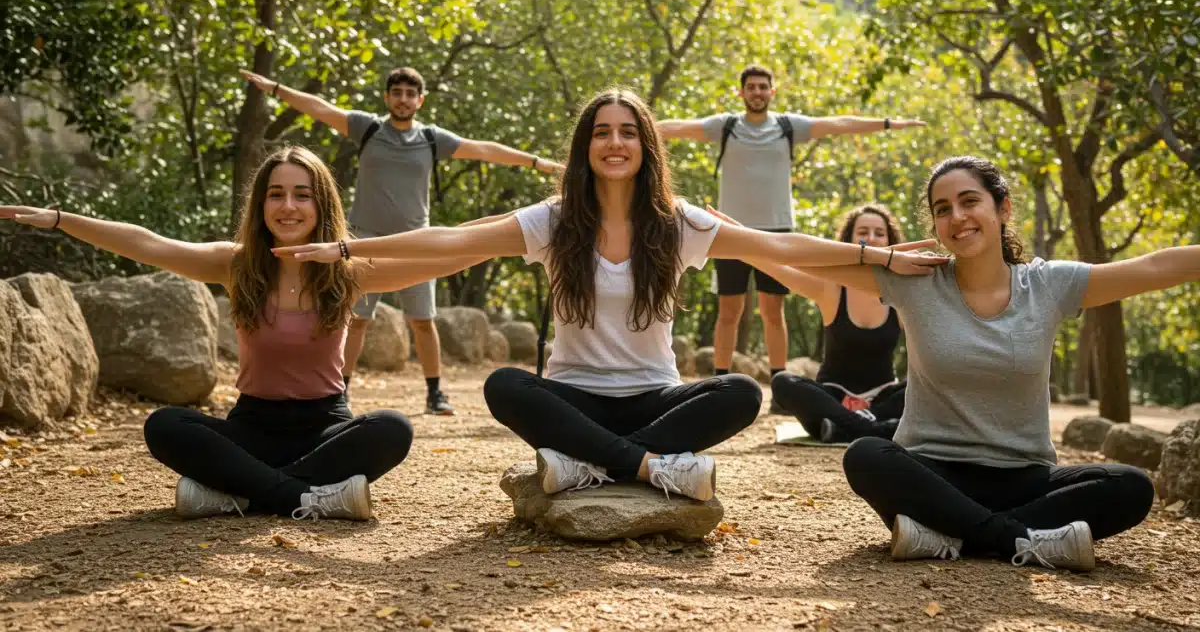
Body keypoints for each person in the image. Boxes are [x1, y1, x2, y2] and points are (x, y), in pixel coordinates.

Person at [273, 89, 946, 501]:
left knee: (739, 391)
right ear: (585, 146)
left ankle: (590, 461)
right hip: (574, 395)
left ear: (647, 145)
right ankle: (650, 467)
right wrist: (344, 248)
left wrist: (878, 256)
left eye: (628, 131)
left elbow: (781, 245)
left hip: (654, 397)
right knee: (507, 385)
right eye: (602, 131)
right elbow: (450, 241)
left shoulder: (678, 222)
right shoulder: (556, 219)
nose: (615, 141)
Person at [711, 156, 1179, 571]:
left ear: (1002, 208)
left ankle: (949, 536)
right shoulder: (915, 281)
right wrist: (728, 232)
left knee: (1130, 486)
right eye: (942, 209)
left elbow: (1155, 267)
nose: (957, 217)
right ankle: (1021, 540)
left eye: (969, 201)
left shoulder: (1049, 285)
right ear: (933, 224)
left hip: (1024, 477)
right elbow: (791, 255)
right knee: (868, 456)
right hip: (931, 472)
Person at [1, 147, 488, 521]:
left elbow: (445, 253)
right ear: (261, 204)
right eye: (276, 193)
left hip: (325, 428)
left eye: (302, 194)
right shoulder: (235, 265)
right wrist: (61, 220)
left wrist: (518, 232)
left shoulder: (349, 270)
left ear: (322, 204)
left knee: (393, 429)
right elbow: (146, 244)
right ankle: (307, 497)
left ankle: (237, 493)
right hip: (251, 429)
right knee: (165, 425)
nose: (288, 206)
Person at [241, 67, 564, 415]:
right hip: (361, 241)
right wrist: (275, 87)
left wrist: (539, 164)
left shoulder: (430, 138)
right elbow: (321, 109)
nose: (403, 99)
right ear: (387, 97)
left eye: (411, 93)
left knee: (422, 321)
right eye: (397, 92)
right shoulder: (368, 128)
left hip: (416, 243)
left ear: (420, 100)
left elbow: (483, 149)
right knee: (356, 318)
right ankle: (342, 391)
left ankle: (435, 392)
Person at [658, 64, 924, 394]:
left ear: (772, 91)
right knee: (730, 310)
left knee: (772, 309)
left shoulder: (787, 126)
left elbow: (838, 124)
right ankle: (719, 381)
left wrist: (888, 123)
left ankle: (778, 386)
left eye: (762, 87)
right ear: (740, 93)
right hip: (727, 233)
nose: (757, 92)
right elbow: (677, 128)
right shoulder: (724, 126)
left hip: (779, 233)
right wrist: (631, 127)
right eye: (751, 87)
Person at [769, 204, 907, 443]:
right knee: (782, 382)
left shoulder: (904, 292)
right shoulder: (830, 286)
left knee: (921, 386)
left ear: (890, 241)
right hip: (831, 397)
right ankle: (875, 428)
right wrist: (737, 236)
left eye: (879, 233)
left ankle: (844, 426)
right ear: (849, 240)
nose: (871, 239)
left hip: (882, 399)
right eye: (863, 232)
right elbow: (774, 264)